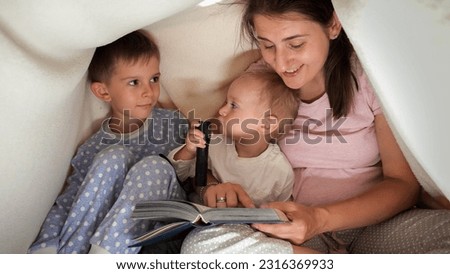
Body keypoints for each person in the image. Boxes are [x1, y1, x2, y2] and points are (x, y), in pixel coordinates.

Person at [206, 0, 450, 253]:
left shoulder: (369, 77)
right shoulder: (257, 82)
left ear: (333, 25)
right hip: (297, 233)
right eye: (267, 45)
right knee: (204, 246)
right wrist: (213, 186)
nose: (281, 63)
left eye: (296, 44)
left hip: (375, 224)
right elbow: (214, 146)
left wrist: (319, 219)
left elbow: (402, 184)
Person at [27, 30, 188, 254]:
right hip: (101, 237)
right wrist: (45, 248)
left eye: (154, 79)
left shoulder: (173, 123)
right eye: (134, 82)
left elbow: (195, 167)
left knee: (155, 166)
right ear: (103, 91)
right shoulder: (93, 146)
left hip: (162, 223)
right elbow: (72, 202)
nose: (148, 91)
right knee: (112, 157)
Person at [167, 70, 311, 253]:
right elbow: (174, 173)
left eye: (233, 105)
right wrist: (189, 150)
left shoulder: (279, 171)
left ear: (266, 124)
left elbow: (281, 217)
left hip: (246, 237)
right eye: (226, 102)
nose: (221, 110)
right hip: (201, 228)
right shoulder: (214, 144)